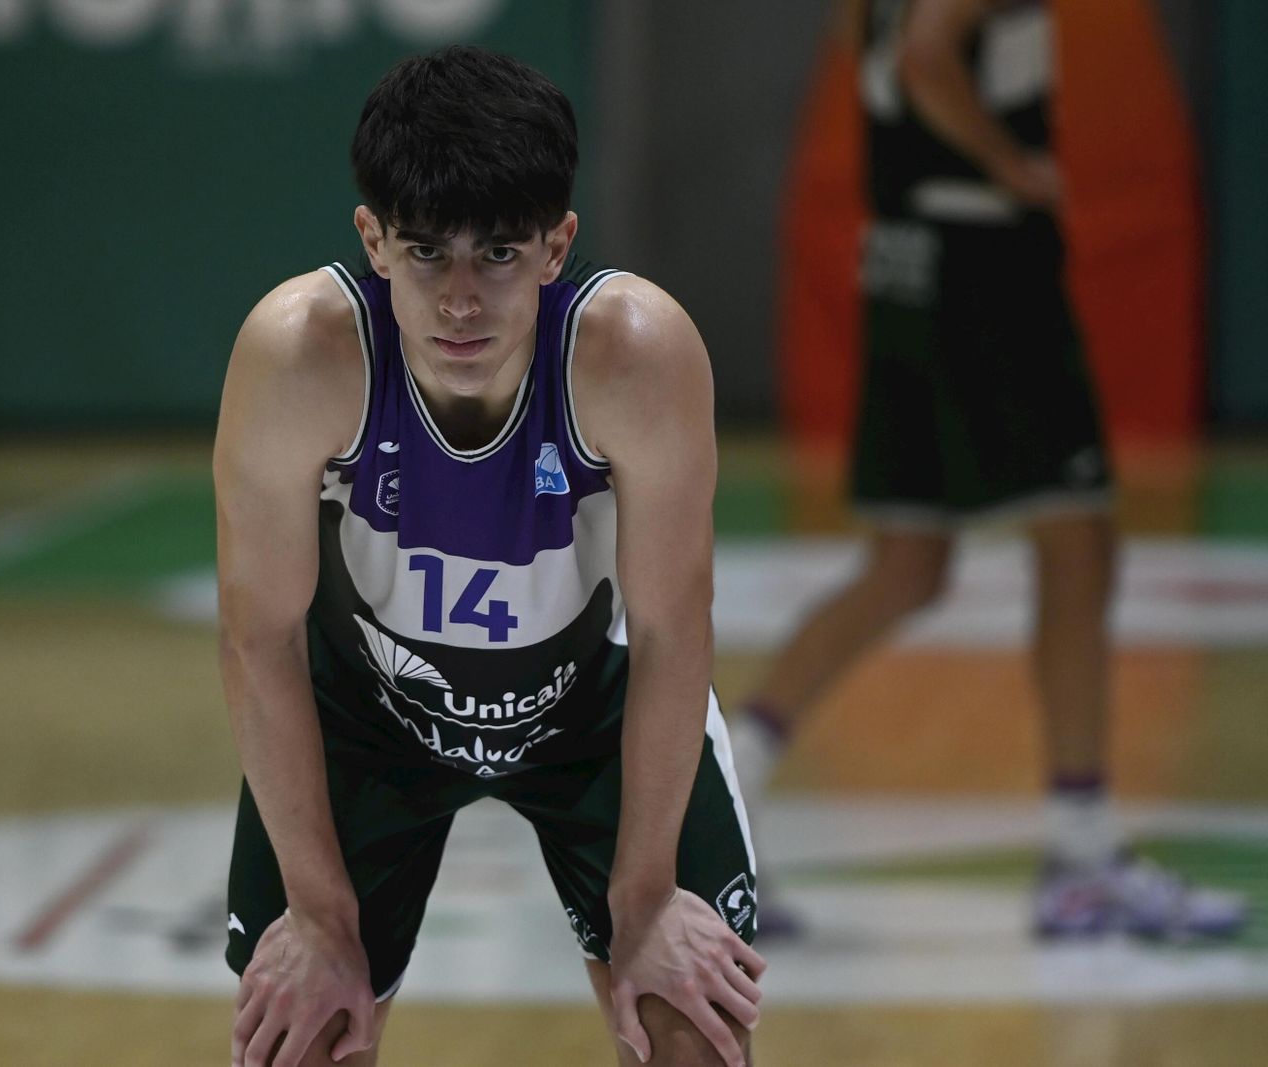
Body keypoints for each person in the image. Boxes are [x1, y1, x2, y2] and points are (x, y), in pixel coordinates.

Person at [214, 46, 765, 1067]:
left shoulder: (636, 352)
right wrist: (321, 918)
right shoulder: (299, 354)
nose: (460, 298)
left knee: (689, 1026)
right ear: (372, 240)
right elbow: (259, 635)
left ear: (557, 246)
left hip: (591, 714)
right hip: (364, 724)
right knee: (305, 1033)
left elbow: (670, 628)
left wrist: (645, 901)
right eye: (426, 253)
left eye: (498, 255)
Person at [729, 0, 1245, 941]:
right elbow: (929, 57)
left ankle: (723, 794)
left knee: (907, 565)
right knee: (1079, 542)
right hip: (981, 270)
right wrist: (1012, 165)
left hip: (904, 258)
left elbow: (886, 50)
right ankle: (1083, 860)